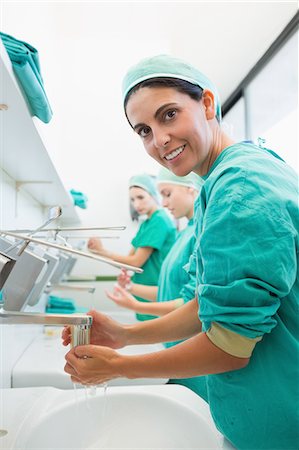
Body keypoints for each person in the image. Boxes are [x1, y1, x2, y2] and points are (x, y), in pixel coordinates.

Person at [63, 54, 299, 450]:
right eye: (143, 130)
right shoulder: (220, 183)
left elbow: (230, 343)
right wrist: (124, 335)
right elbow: (207, 306)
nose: (159, 140)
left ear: (207, 104)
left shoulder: (241, 187)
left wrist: (119, 367)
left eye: (169, 115)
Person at [107, 167, 207, 400]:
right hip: (174, 344)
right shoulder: (185, 234)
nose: (163, 202)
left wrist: (136, 306)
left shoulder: (199, 233)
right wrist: (131, 291)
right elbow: (168, 291)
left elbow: (189, 302)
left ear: (191, 189)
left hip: (188, 345)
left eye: (167, 194)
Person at [88, 173, 176, 321]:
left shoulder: (159, 220)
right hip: (143, 293)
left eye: (141, 197)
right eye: (132, 200)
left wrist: (101, 251)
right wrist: (99, 252)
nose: (136, 205)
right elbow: (127, 262)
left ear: (153, 194)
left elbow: (135, 263)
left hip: (154, 292)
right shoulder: (147, 223)